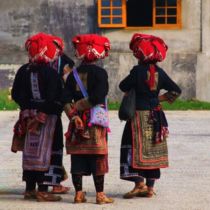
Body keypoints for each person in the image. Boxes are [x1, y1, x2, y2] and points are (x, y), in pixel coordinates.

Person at [119, 33, 181, 198]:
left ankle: (139, 184)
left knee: (131, 146)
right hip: (156, 117)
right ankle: (150, 188)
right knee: (153, 150)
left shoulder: (137, 71)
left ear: (139, 54)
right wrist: (156, 98)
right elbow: (176, 90)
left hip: (137, 116)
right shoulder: (160, 72)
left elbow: (122, 85)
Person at [11, 32, 64, 202]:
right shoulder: (51, 73)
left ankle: (29, 189)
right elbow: (55, 98)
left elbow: (16, 95)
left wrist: (28, 109)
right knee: (49, 152)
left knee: (30, 152)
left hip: (28, 117)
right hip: (48, 119)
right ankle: (43, 190)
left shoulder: (23, 71)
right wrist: (44, 111)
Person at [62, 34, 114, 204]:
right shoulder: (100, 73)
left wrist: (74, 115)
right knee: (97, 155)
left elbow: (65, 99)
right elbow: (99, 96)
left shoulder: (73, 75)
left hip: (77, 122)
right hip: (94, 121)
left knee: (77, 156)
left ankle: (78, 194)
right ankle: (99, 195)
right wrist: (82, 107)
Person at [50, 53, 75, 194]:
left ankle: (31, 186)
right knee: (55, 146)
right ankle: (55, 183)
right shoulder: (56, 79)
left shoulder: (28, 69)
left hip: (31, 114)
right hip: (52, 114)